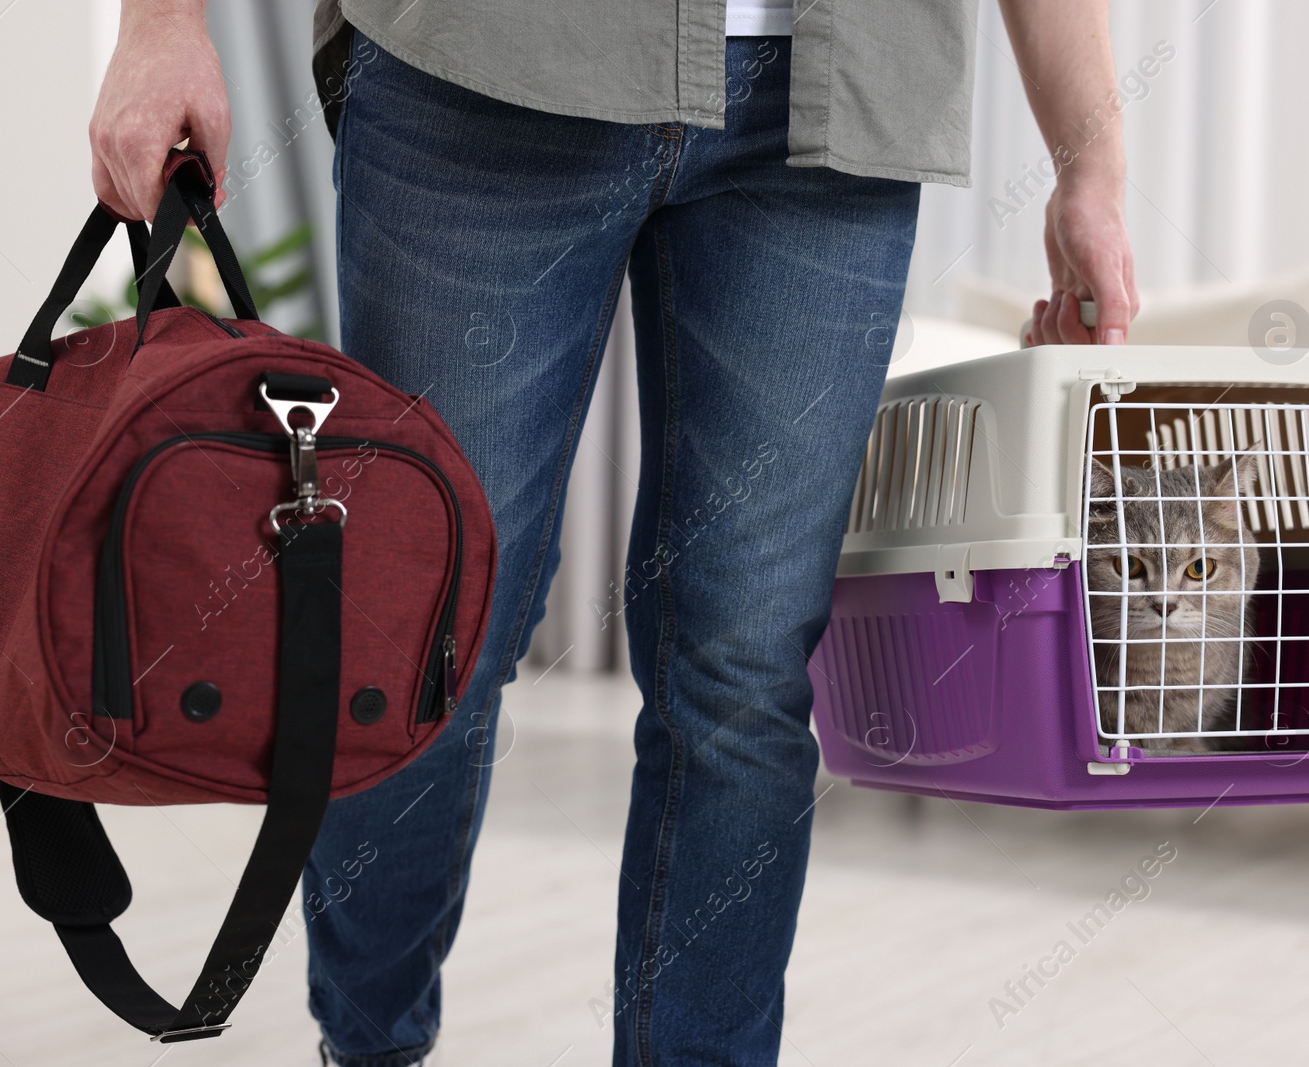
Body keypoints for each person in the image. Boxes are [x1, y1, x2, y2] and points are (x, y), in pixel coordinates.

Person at [91, 1, 1138, 1063]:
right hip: (490, 66)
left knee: (745, 672)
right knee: (421, 641)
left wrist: (1089, 161)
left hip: (835, 101)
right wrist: (159, 26)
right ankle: (366, 1047)